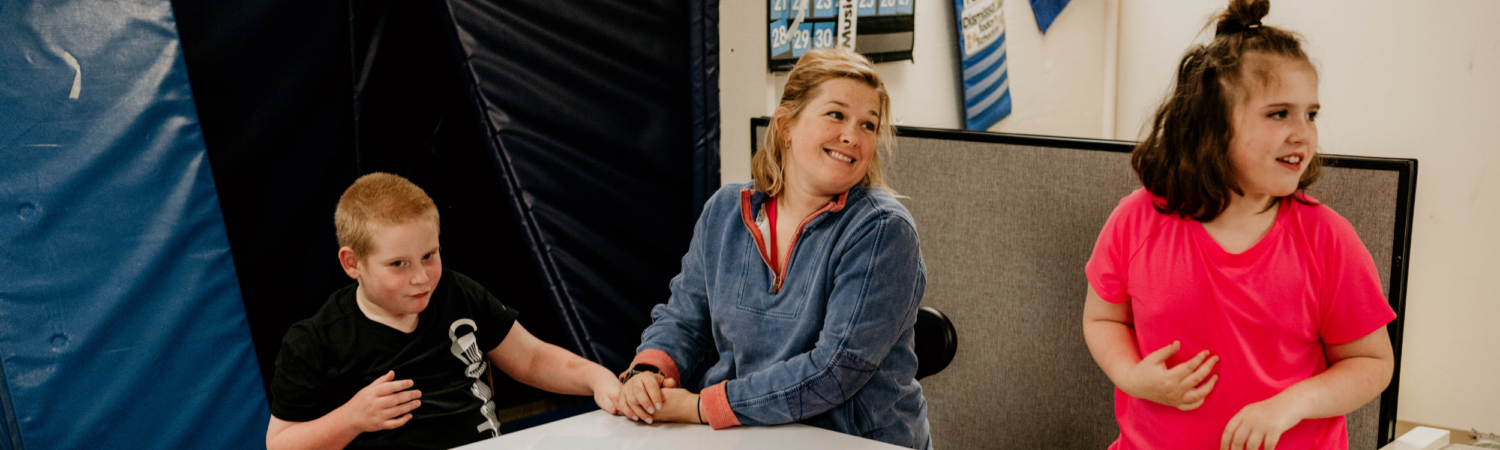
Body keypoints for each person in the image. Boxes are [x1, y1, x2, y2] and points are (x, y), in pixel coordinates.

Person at [1081, 1, 1397, 449]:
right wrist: (1131, 375)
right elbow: (1102, 317)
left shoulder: (1328, 239)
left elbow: (1370, 361)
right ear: (1212, 126)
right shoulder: (1136, 220)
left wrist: (1291, 404)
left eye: (1311, 114)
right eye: (1278, 113)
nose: (1303, 133)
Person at [611, 48, 932, 449]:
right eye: (836, 115)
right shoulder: (725, 211)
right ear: (786, 125)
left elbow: (833, 372)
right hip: (744, 436)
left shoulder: (884, 231)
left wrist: (700, 408)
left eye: (868, 125)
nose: (853, 135)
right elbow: (684, 319)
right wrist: (648, 370)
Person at [265, 173, 621, 450]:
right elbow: (280, 442)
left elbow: (530, 359)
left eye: (429, 255)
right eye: (398, 264)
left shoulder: (456, 292)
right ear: (352, 263)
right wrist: (352, 419)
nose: (421, 278)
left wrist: (597, 379)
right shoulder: (315, 341)